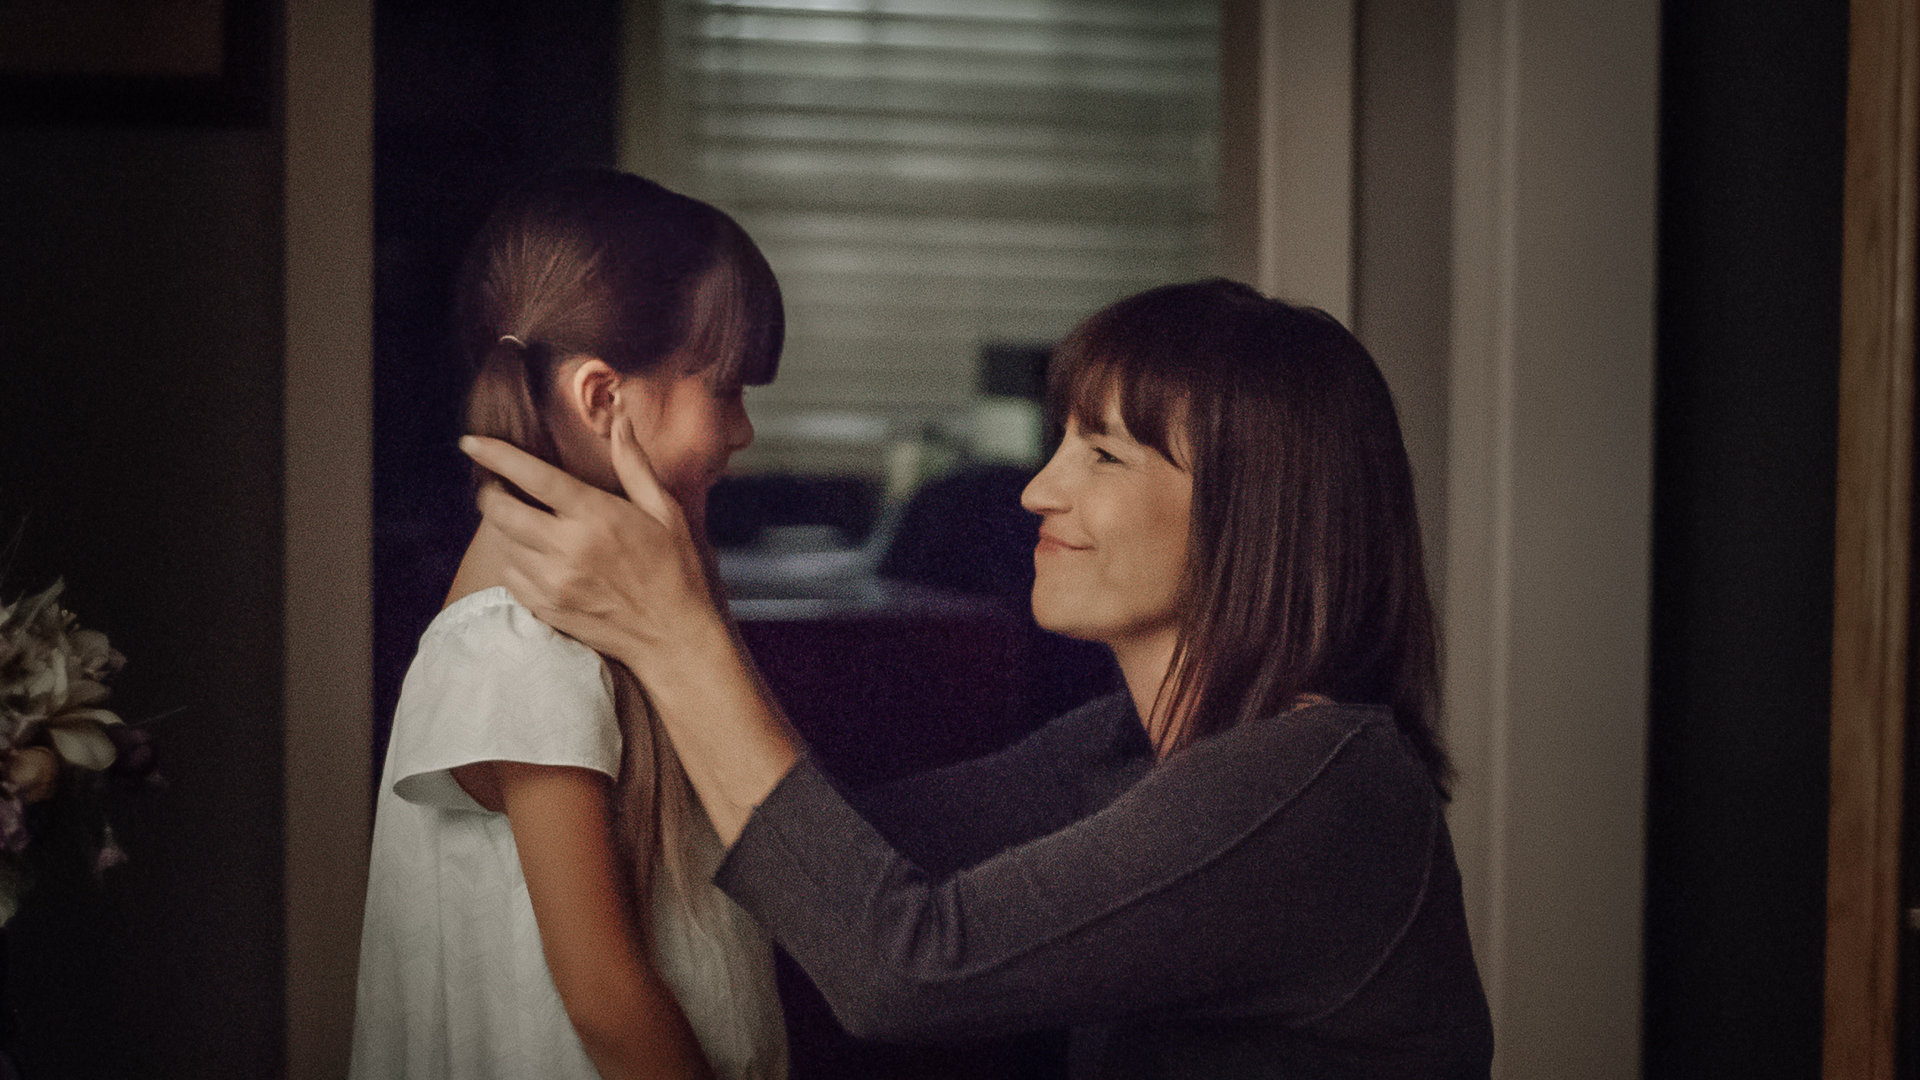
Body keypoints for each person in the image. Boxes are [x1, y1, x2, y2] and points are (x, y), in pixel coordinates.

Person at [463, 279, 1495, 1078]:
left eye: (1104, 455)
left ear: (1253, 514)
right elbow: (826, 861)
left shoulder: (1324, 787)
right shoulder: (1121, 749)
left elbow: (900, 968)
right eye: (1061, 443)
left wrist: (680, 635)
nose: (1041, 489)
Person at [350, 169, 789, 1080]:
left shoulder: (613, 615)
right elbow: (607, 1003)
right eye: (728, 390)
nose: (744, 431)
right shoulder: (524, 642)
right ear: (602, 399)